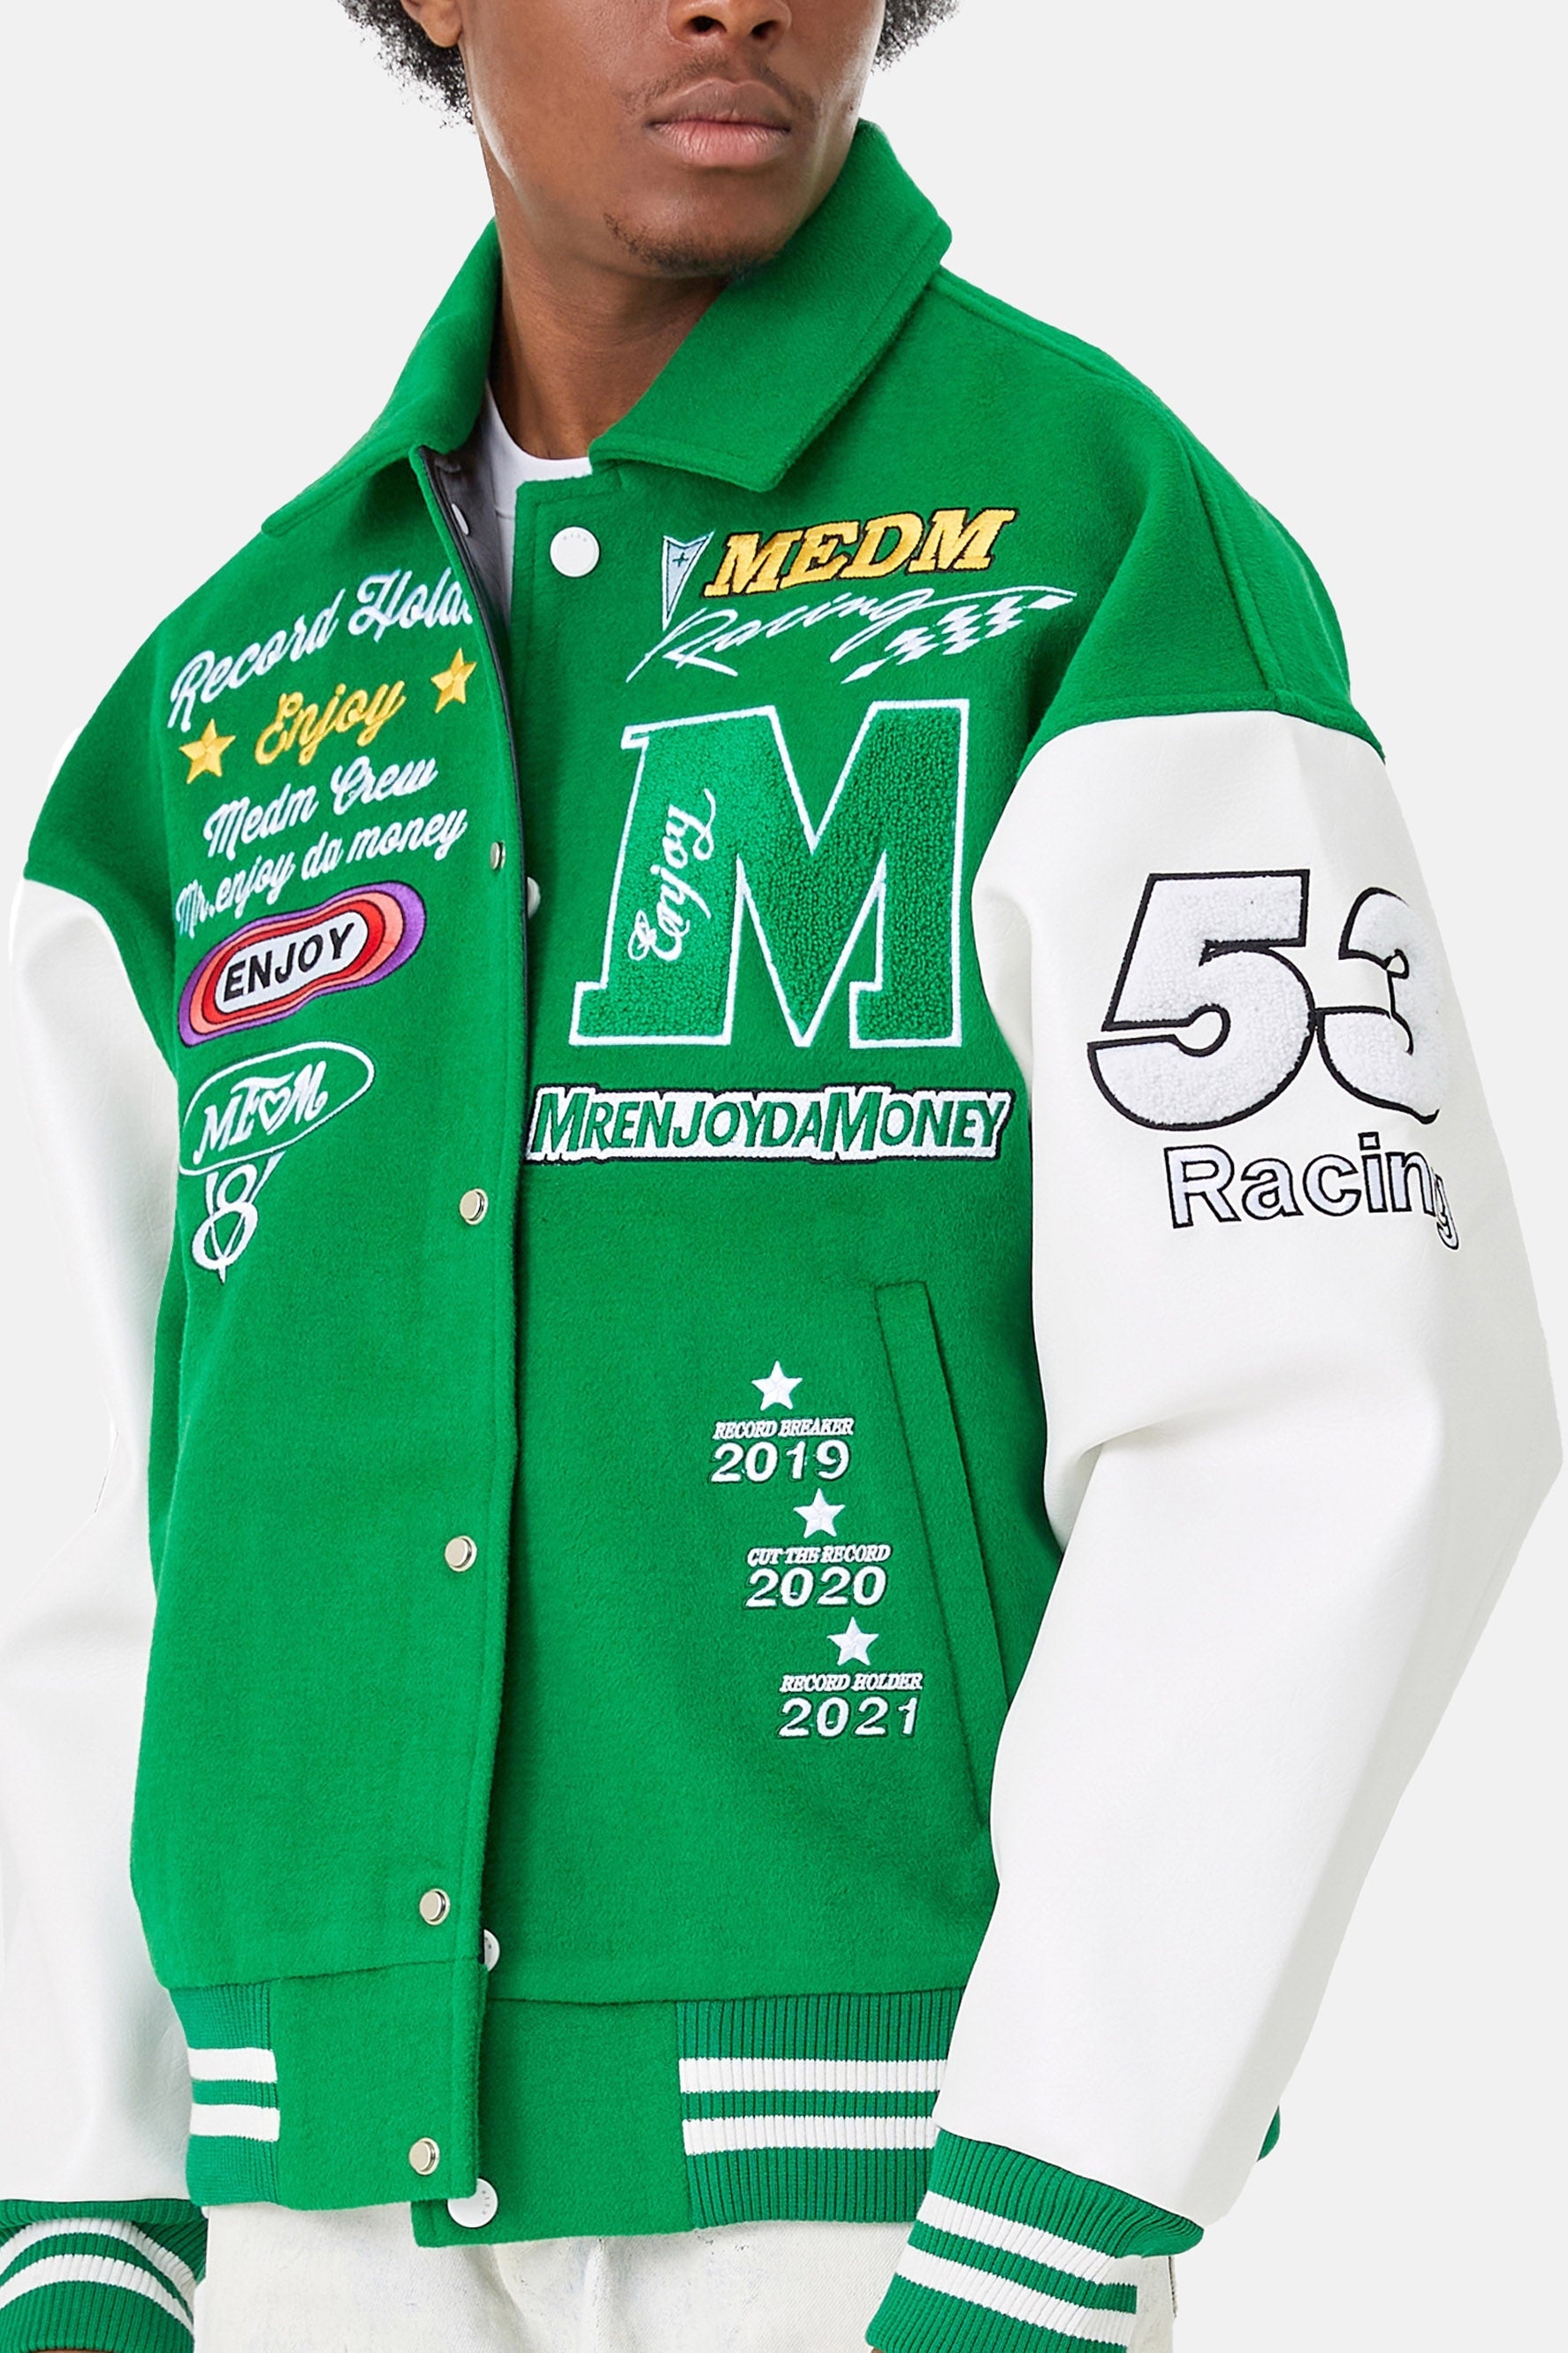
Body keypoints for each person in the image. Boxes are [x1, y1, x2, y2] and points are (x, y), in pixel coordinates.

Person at [0, 1, 1557, 2349]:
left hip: (883, 2209)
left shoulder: (1097, 540)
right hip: (302, 2213)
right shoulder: (226, 702)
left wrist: (1057, 2197)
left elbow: (1331, 1409)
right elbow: (90, 1507)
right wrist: (79, 2207)